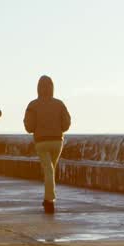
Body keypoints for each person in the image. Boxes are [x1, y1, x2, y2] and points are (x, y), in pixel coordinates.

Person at [23, 74, 71, 214]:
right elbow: (66, 124)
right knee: (51, 169)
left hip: (42, 143)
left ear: (38, 88)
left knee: (48, 170)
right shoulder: (59, 104)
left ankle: (49, 200)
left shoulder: (33, 105)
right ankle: (48, 198)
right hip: (57, 142)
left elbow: (29, 127)